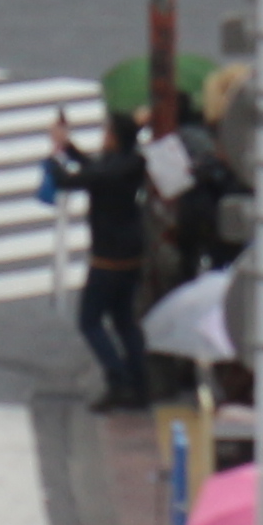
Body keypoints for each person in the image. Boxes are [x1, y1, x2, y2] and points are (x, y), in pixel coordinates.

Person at [46, 108, 155, 409]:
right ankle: (140, 383)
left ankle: (117, 378)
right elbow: (93, 170)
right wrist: (69, 148)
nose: (103, 137)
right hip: (131, 253)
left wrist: (55, 154)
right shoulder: (132, 163)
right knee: (124, 321)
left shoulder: (111, 170)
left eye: (106, 132)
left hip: (108, 256)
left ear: (115, 138)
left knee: (89, 320)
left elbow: (70, 180)